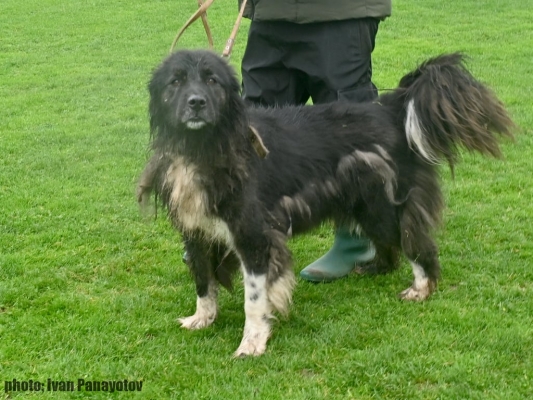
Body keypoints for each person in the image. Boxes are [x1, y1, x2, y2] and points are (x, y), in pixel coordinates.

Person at [239, 0, 392, 282]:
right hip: (271, 11)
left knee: (347, 127)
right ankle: (239, 229)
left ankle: (355, 241)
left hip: (341, 12)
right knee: (256, 123)